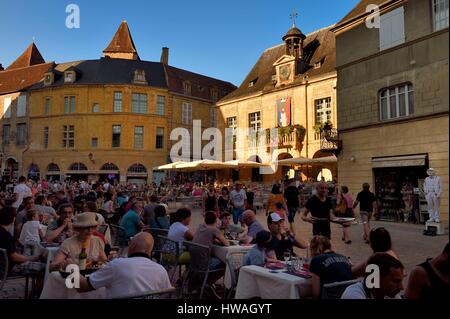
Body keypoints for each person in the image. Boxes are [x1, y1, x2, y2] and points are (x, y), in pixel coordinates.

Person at [77, 232, 172, 298]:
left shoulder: (117, 265)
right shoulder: (161, 270)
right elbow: (166, 293)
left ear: (132, 246)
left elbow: (81, 287)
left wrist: (70, 269)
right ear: (150, 250)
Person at [0, 206, 45, 291]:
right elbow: (14, 257)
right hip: (11, 267)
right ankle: (35, 294)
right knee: (46, 268)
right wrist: (32, 258)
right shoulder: (6, 236)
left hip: (3, 267)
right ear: (13, 219)